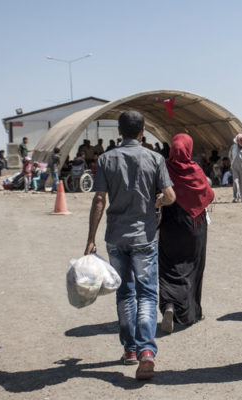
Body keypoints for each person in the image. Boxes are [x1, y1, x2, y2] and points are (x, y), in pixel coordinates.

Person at [84, 110, 176, 381]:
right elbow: (170, 196)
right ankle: (147, 351)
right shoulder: (155, 158)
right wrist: (155, 202)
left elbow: (99, 199)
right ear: (143, 131)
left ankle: (130, 351)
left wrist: (90, 238)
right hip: (145, 237)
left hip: (115, 237)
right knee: (147, 294)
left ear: (119, 132)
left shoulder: (106, 159)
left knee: (124, 292)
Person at [159, 134, 215, 334]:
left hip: (169, 225)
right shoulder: (195, 170)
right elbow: (208, 194)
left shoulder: (163, 167)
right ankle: (192, 313)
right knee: (193, 266)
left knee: (168, 266)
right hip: (194, 226)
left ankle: (169, 306)